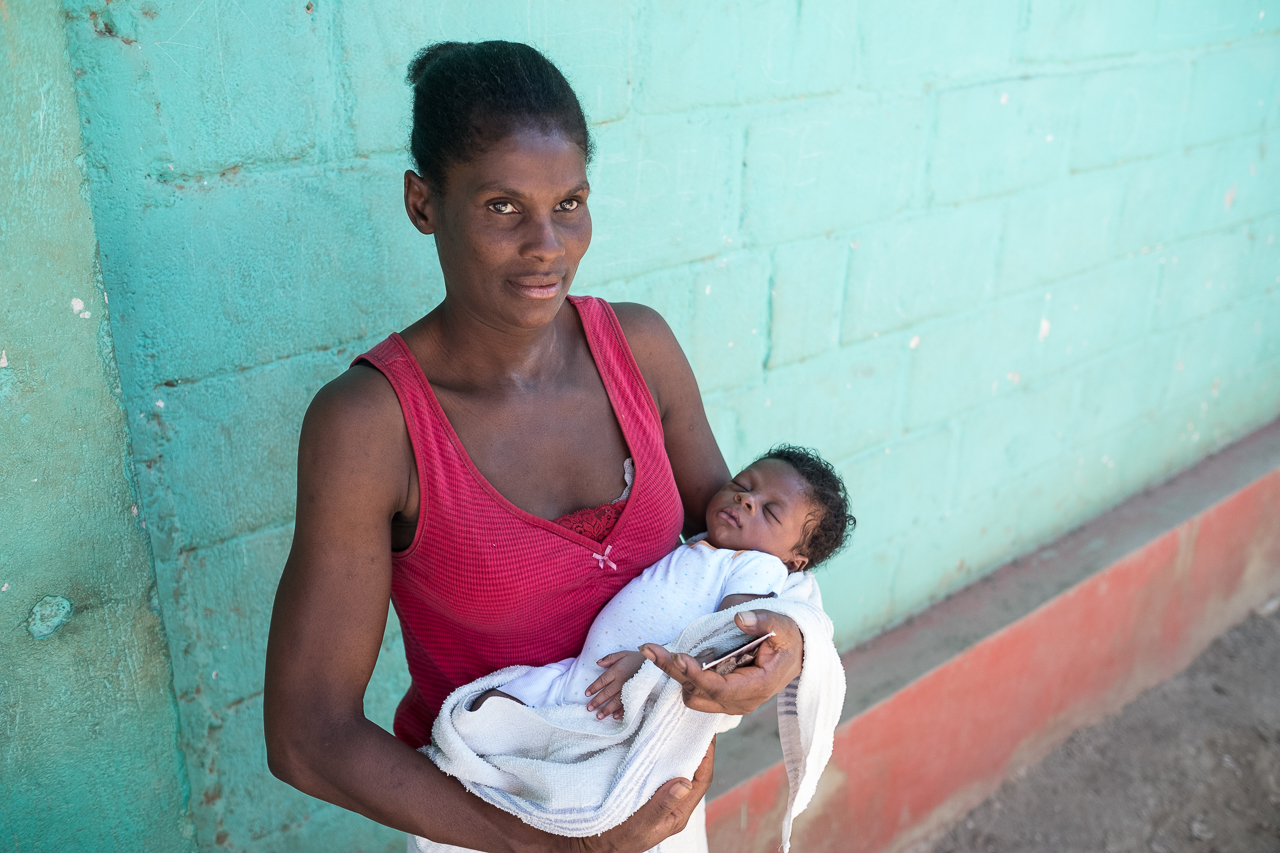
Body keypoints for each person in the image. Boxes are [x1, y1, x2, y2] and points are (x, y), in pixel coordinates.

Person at [263, 40, 809, 853]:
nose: (547, 244)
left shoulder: (640, 350)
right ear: (423, 204)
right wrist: (570, 850)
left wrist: (784, 645)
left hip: (655, 806)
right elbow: (307, 732)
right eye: (502, 207)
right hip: (488, 825)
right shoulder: (372, 426)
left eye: (571, 201)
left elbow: (742, 552)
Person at [468, 445, 853, 721]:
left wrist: (651, 668)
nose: (746, 500)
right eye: (741, 484)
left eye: (770, 511)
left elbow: (728, 636)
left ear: (793, 559)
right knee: (483, 708)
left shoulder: (759, 567)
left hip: (628, 690)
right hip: (580, 673)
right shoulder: (704, 545)